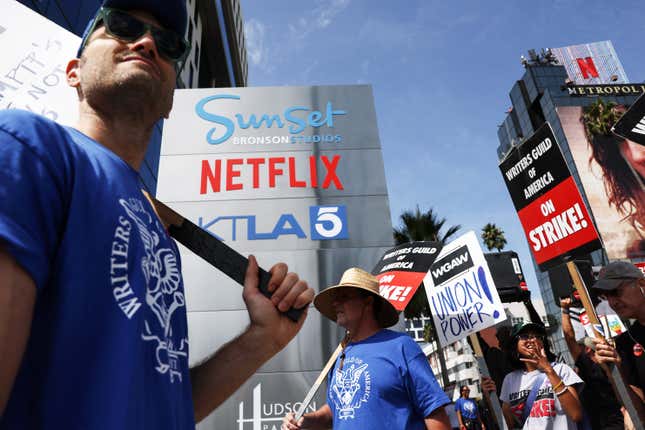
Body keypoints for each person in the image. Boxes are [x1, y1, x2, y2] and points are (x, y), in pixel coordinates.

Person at [0, 1, 314, 428]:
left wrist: (263, 339)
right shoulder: (29, 146)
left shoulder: (159, 232)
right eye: (123, 25)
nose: (147, 42)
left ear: (170, 103)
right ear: (74, 71)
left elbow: (162, 403)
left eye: (168, 43)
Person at [282, 267, 451, 429]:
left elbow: (434, 412)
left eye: (344, 297)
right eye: (335, 298)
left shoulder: (401, 346)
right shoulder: (341, 353)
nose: (335, 303)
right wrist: (305, 421)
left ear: (368, 302)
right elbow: (335, 412)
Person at [497, 322, 584, 429]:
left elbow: (576, 414)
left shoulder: (561, 369)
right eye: (524, 336)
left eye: (537, 336)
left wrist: (549, 370)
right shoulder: (510, 380)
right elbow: (509, 424)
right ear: (515, 346)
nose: (533, 340)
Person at [591, 261, 645, 422]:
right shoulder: (625, 343)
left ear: (641, 283)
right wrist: (614, 370)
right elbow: (639, 412)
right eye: (606, 297)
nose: (612, 302)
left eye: (615, 292)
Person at [560, 298, 623, 429]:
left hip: (618, 422)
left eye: (584, 346)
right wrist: (565, 311)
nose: (583, 348)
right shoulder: (586, 364)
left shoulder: (613, 362)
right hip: (595, 423)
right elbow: (569, 337)